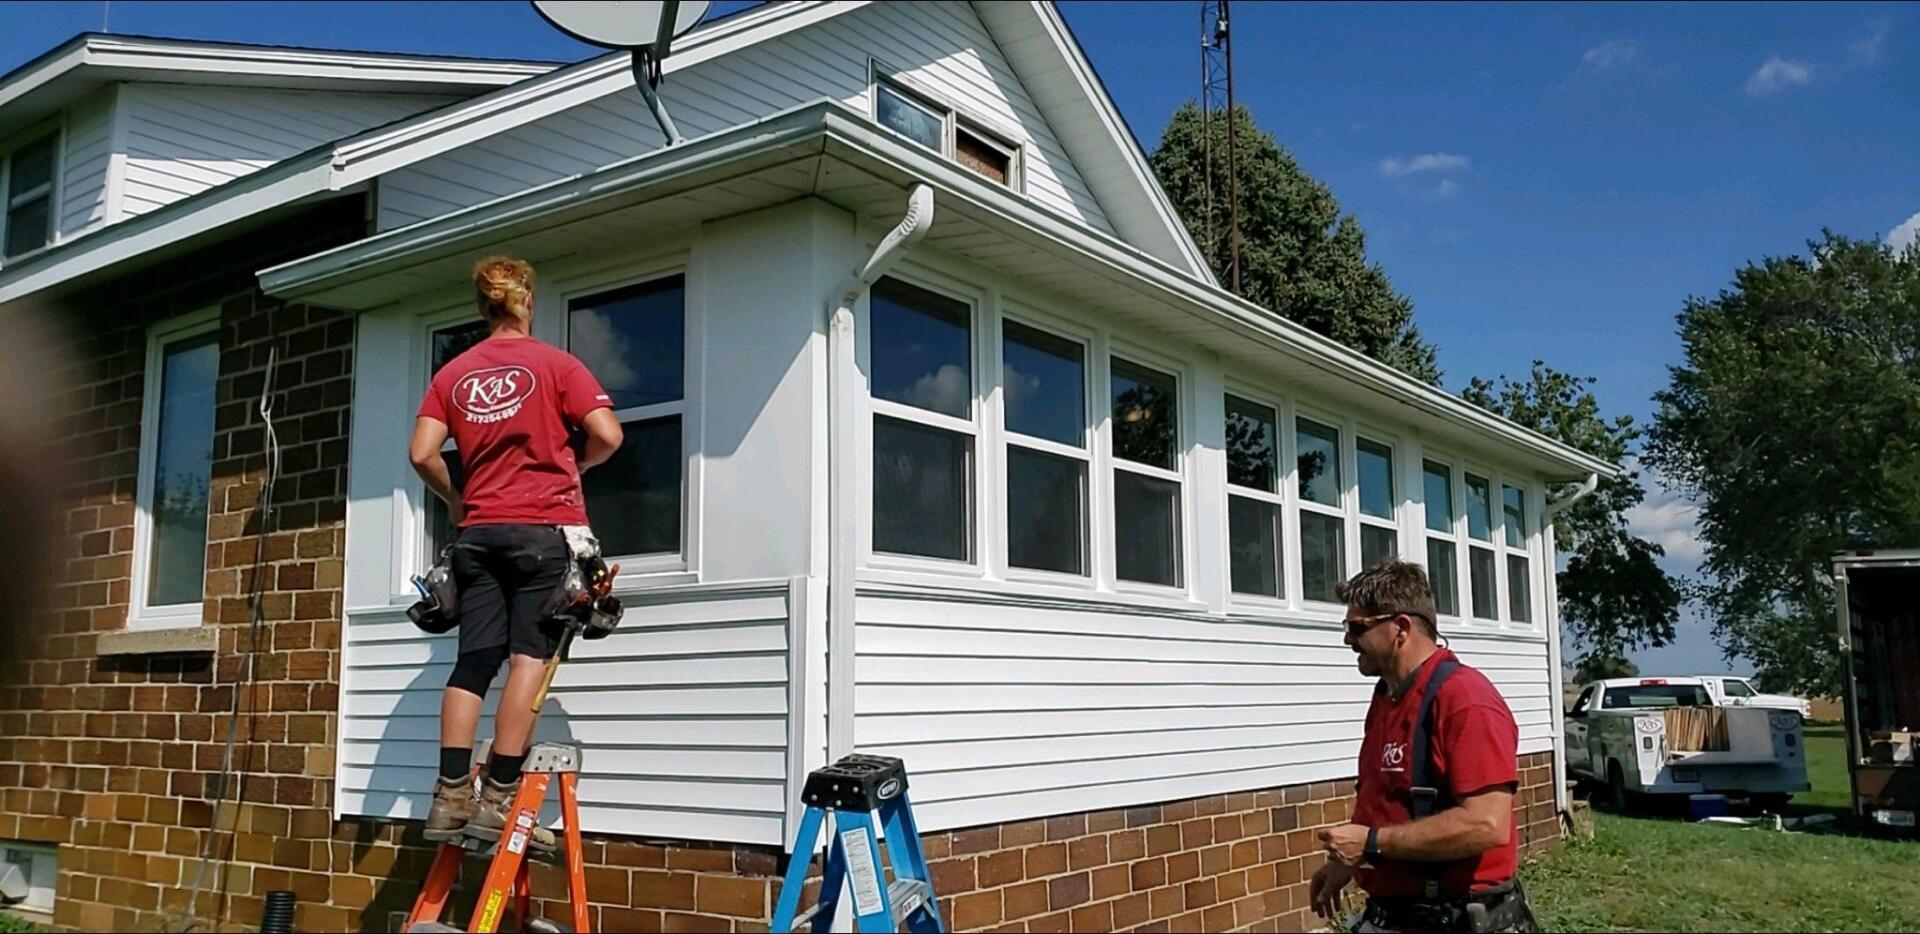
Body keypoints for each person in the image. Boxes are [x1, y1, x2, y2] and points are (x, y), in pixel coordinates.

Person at [410, 256, 624, 849]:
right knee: (529, 659)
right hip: (542, 532)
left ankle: (451, 795)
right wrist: (575, 464)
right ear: (526, 301)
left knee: (474, 662)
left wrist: (457, 499)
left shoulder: (452, 374)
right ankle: (497, 800)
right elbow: (607, 434)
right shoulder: (556, 364)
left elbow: (423, 452)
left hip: (478, 536)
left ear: (483, 307)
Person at [1310, 561, 1537, 933]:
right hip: (1395, 916)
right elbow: (1386, 799)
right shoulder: (1387, 698)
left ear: (1400, 627)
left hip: (1459, 919)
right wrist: (1347, 862)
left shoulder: (1465, 698)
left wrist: (1370, 844)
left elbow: (1486, 824)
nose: (1347, 640)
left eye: (1357, 628)